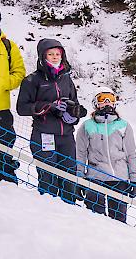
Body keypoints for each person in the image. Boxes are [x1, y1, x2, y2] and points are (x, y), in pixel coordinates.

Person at [17, 38, 86, 203]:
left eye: (58, 54)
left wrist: (75, 114)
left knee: (69, 178)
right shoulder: (32, 80)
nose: (55, 57)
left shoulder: (66, 79)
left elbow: (74, 103)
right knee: (49, 178)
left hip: (66, 137)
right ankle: (48, 215)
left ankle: (70, 216)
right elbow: (22, 108)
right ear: (43, 56)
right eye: (51, 54)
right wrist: (48, 107)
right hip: (44, 135)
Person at [75, 87, 136, 223]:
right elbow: (80, 154)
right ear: (96, 103)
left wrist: (134, 180)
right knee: (95, 220)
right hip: (95, 177)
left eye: (110, 99)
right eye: (102, 99)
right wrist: (79, 178)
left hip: (119, 179)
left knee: (118, 222)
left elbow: (131, 155)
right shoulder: (87, 126)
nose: (107, 102)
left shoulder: (123, 126)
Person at [0, 8, 25, 184]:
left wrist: (3, 83)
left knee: (6, 146)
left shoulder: (7, 45)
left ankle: (7, 180)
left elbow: (19, 72)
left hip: (1, 109)